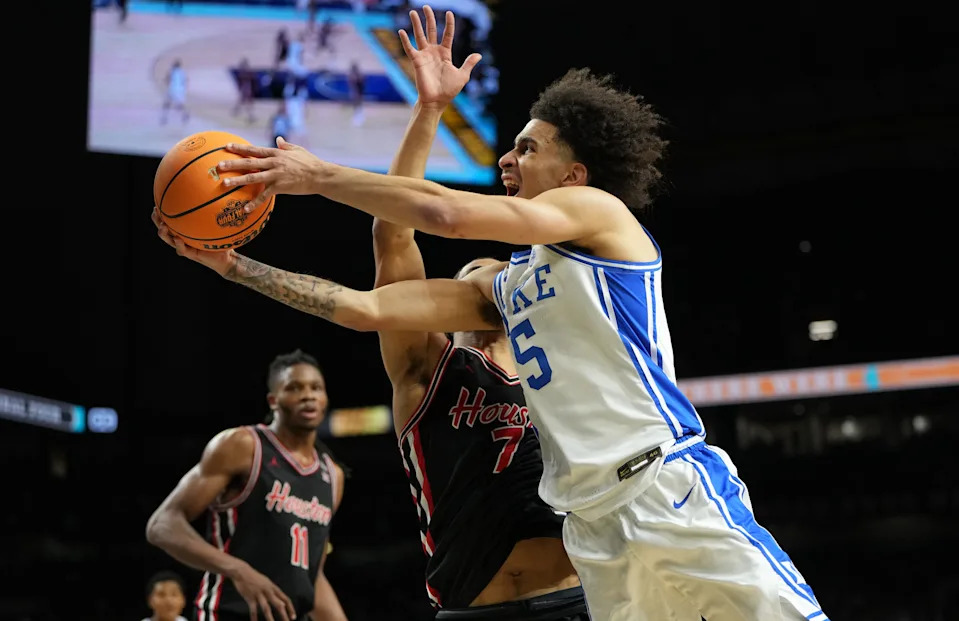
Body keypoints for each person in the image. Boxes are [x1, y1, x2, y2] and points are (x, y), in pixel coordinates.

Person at [153, 12, 828, 621]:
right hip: (592, 530)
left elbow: (443, 214)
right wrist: (232, 268)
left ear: (575, 174)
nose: (508, 158)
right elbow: (367, 304)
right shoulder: (512, 285)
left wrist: (319, 174)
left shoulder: (599, 216)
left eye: (528, 148)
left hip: (661, 484)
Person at [146, 350, 348, 621]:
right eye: (294, 388)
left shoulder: (332, 476)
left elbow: (313, 576)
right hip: (228, 613)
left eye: (316, 387)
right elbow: (161, 525)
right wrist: (239, 570)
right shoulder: (243, 446)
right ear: (273, 400)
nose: (308, 395)